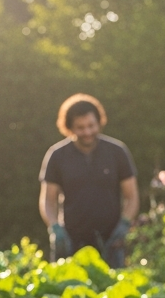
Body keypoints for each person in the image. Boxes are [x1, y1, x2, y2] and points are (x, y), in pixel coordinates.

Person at [38, 94, 138, 266]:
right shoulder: (57, 155)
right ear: (69, 127)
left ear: (99, 122)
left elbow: (132, 196)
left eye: (91, 126)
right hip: (72, 240)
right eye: (80, 128)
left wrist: (124, 226)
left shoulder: (117, 152)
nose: (87, 132)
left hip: (111, 240)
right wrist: (54, 228)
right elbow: (48, 200)